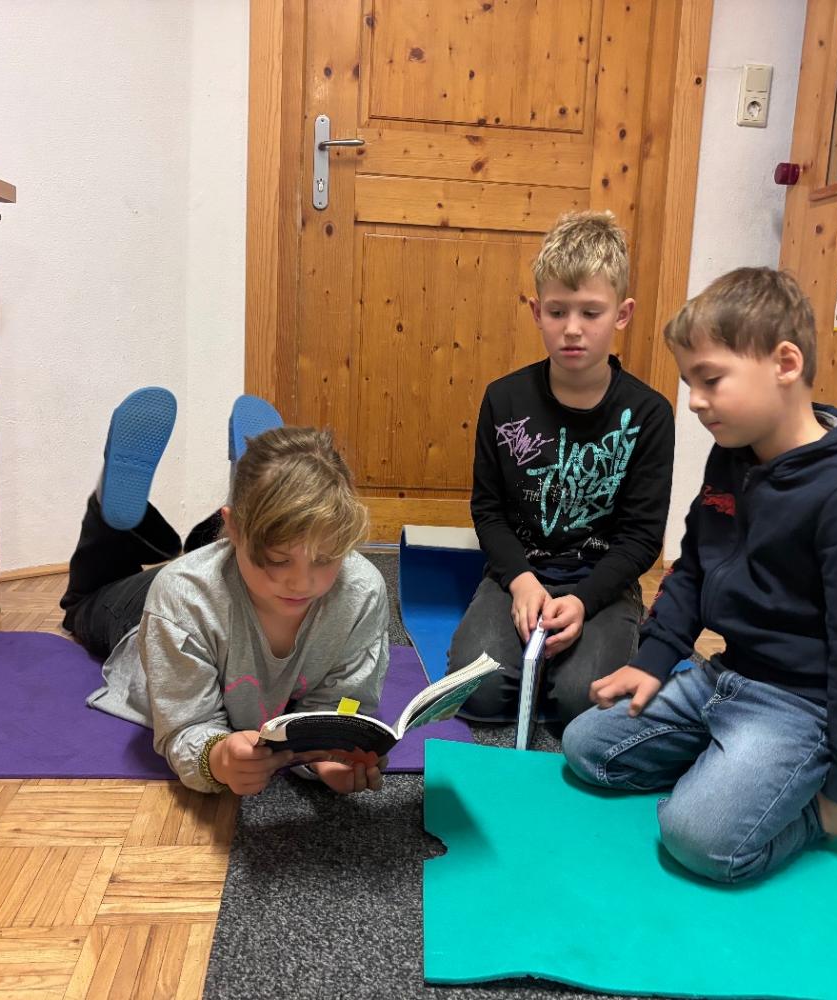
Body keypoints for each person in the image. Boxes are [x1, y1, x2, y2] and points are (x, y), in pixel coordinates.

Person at [563, 267, 837, 882]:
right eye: (689, 383)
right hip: (722, 677)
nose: (695, 401)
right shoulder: (732, 457)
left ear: (785, 363)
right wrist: (653, 660)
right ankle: (731, 766)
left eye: (711, 380)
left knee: (697, 839)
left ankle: (799, 804)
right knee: (585, 747)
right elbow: (694, 566)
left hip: (799, 707)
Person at [60, 387, 390, 796]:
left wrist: (328, 757)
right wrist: (217, 758)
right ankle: (104, 507)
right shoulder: (181, 596)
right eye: (278, 559)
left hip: (227, 568)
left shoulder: (360, 590)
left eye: (326, 558)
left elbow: (341, 704)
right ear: (234, 529)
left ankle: (248, 506)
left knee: (235, 561)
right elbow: (186, 725)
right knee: (84, 602)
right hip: (154, 610)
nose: (302, 582)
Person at [445, 210, 675, 730]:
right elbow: (488, 511)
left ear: (622, 314)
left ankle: (590, 646)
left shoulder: (650, 413)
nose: (572, 329)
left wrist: (585, 600)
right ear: (536, 311)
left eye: (591, 312)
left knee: (581, 704)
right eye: (557, 311)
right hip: (520, 574)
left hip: (601, 582)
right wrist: (521, 582)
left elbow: (642, 537)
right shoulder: (503, 399)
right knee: (476, 697)